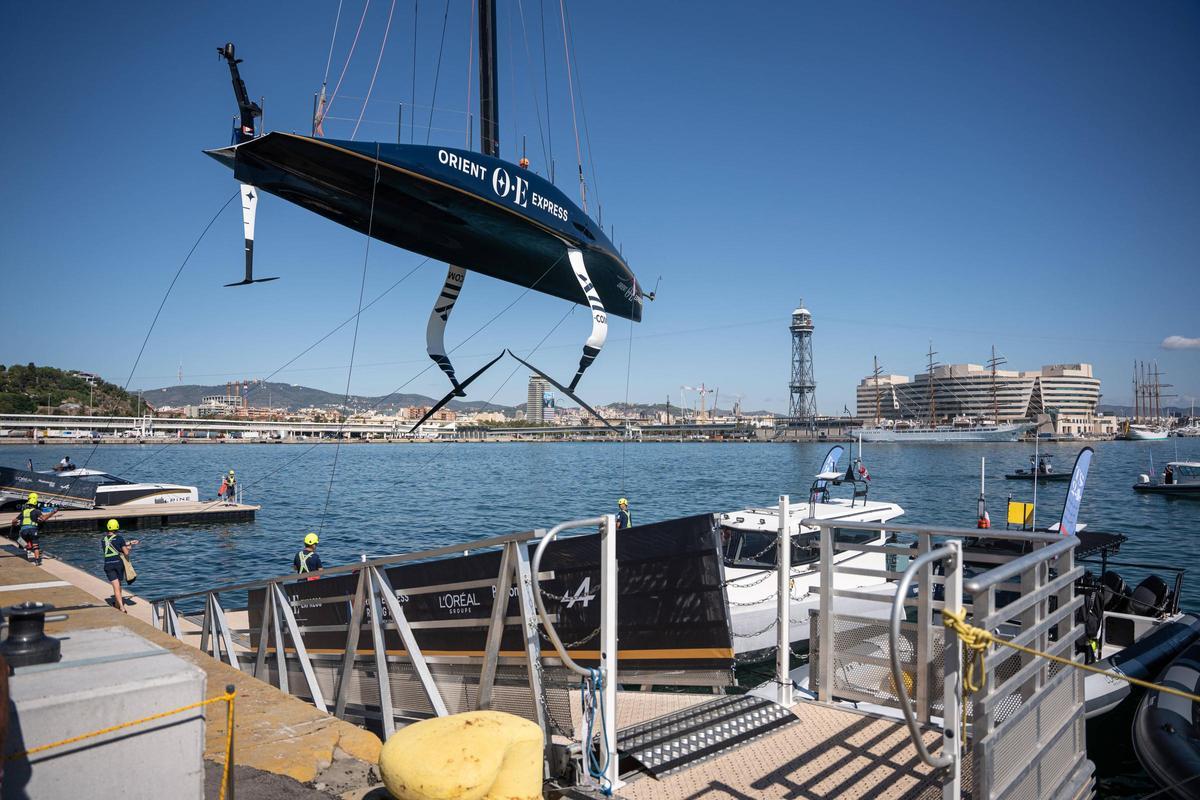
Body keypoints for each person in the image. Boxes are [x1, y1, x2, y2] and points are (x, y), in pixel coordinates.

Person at [102, 519, 138, 613]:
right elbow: (126, 552)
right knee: (119, 585)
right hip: (118, 564)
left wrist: (129, 542)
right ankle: (122, 607)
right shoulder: (120, 538)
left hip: (108, 565)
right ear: (117, 527)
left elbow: (113, 543)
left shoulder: (103, 540)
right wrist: (129, 548)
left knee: (116, 586)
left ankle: (118, 605)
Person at [17, 493, 54, 565]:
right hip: (33, 530)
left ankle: (22, 558)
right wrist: (52, 513)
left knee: (22, 544)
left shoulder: (24, 511)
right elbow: (43, 519)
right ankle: (37, 561)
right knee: (35, 546)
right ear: (35, 503)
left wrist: (14, 523)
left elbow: (14, 520)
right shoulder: (37, 511)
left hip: (23, 530)